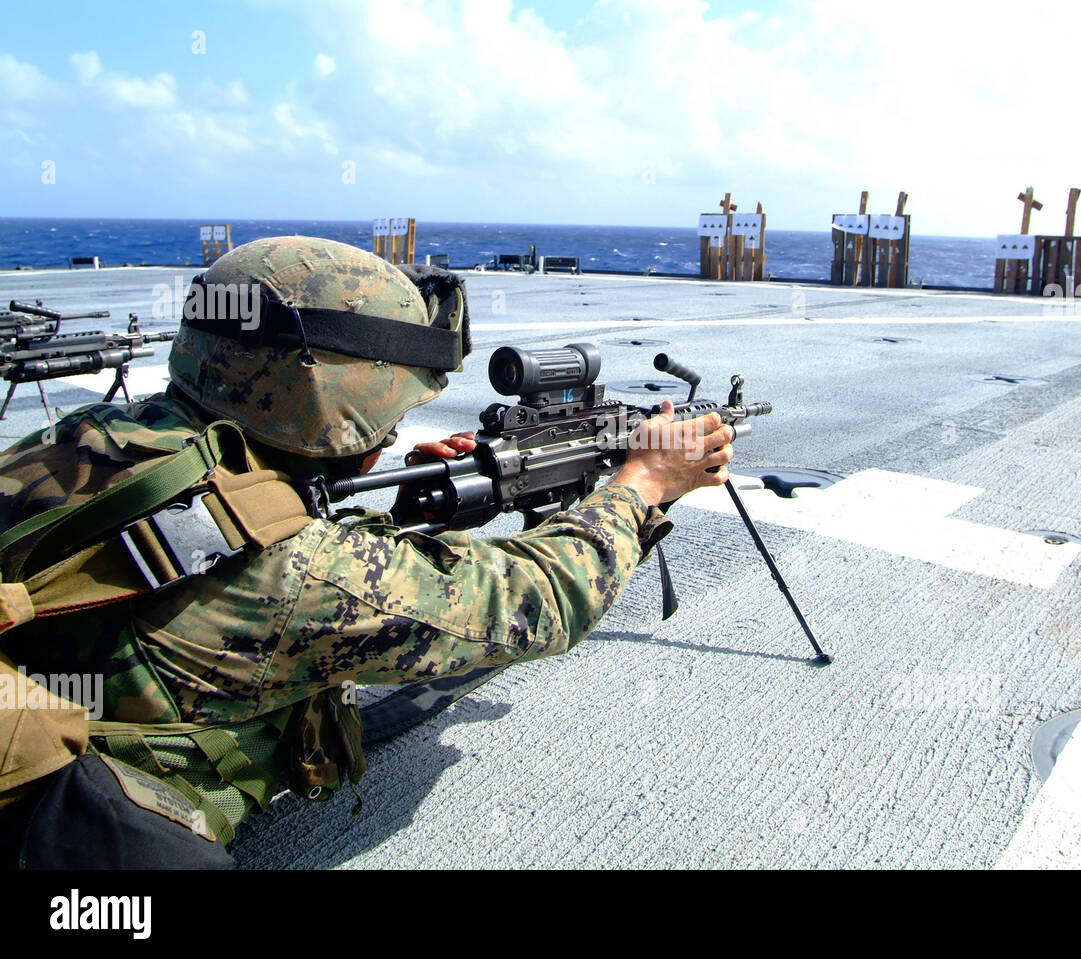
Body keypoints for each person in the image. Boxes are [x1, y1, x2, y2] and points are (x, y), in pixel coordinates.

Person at [0, 236, 734, 868]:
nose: (389, 433)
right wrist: (640, 487)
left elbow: (252, 532)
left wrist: (406, 512)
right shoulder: (294, 578)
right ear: (329, 396)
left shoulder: (98, 436)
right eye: (386, 407)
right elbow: (534, 601)